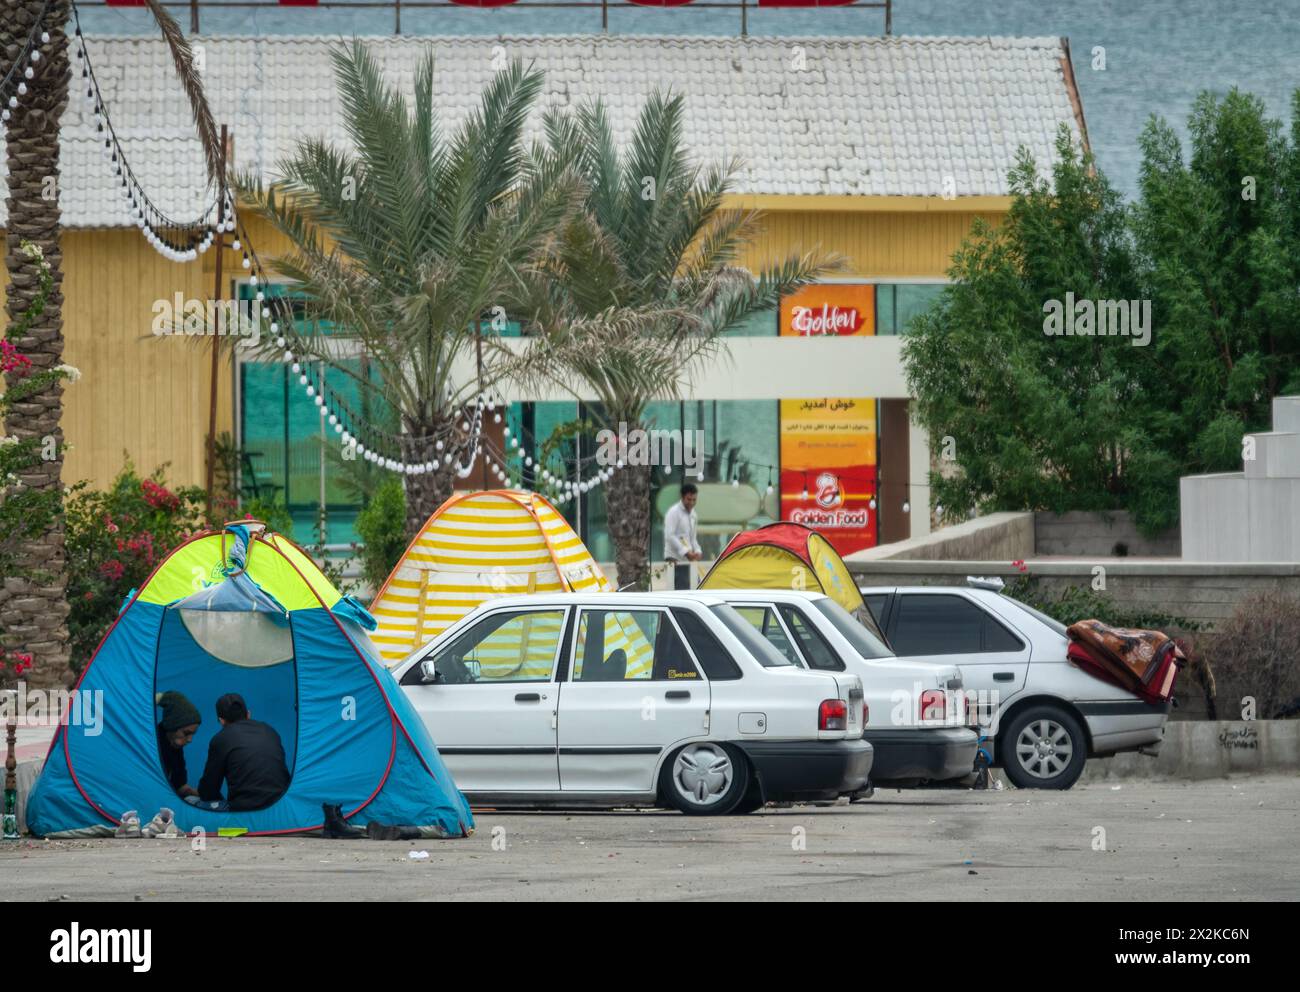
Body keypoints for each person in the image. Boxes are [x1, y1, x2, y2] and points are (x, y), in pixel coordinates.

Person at [192, 693, 291, 812]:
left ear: (221, 721)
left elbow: (208, 791)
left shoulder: (220, 739)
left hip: (244, 812)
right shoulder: (270, 731)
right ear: (248, 714)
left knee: (190, 801)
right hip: (281, 807)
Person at [155, 691, 201, 800]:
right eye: (186, 733)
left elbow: (180, 786)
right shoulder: (152, 745)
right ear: (171, 726)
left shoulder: (175, 748)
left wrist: (203, 795)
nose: (190, 740)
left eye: (192, 734)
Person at [663, 482, 702, 590]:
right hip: (674, 558)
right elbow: (669, 536)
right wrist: (685, 552)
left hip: (689, 560)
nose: (692, 502)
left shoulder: (694, 515)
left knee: (697, 587)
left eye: (694, 500)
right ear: (682, 497)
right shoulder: (673, 512)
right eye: (689, 499)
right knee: (681, 591)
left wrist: (698, 551)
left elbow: (693, 538)